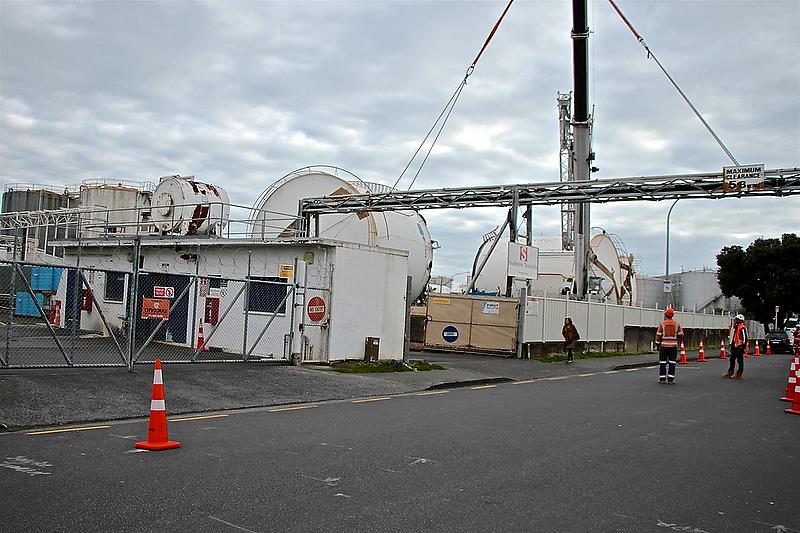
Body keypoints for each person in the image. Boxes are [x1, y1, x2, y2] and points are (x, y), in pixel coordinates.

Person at [655, 307, 683, 384]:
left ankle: (662, 379)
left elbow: (658, 335)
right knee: (672, 362)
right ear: (672, 315)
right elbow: (681, 335)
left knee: (663, 362)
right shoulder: (677, 324)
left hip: (664, 346)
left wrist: (657, 344)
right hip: (673, 346)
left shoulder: (662, 324)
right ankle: (671, 379)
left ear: (666, 315)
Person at [724, 314, 748, 380]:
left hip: (740, 347)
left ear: (740, 320)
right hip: (735, 346)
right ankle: (730, 372)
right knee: (732, 359)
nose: (735, 321)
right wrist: (732, 345)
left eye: (736, 320)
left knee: (740, 361)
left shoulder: (742, 328)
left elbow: (744, 338)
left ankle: (739, 374)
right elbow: (735, 337)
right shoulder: (737, 327)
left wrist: (742, 347)